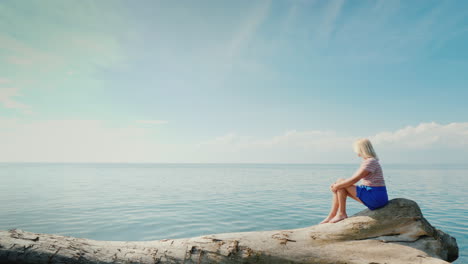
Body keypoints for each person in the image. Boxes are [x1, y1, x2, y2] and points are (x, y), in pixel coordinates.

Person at [319, 138, 389, 224]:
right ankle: (333, 215)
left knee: (341, 183)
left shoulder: (370, 162)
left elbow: (355, 179)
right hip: (373, 194)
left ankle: (340, 214)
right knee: (341, 184)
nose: (357, 153)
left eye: (357, 150)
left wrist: (337, 186)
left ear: (362, 150)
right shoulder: (369, 161)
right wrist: (337, 185)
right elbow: (352, 180)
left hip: (375, 197)